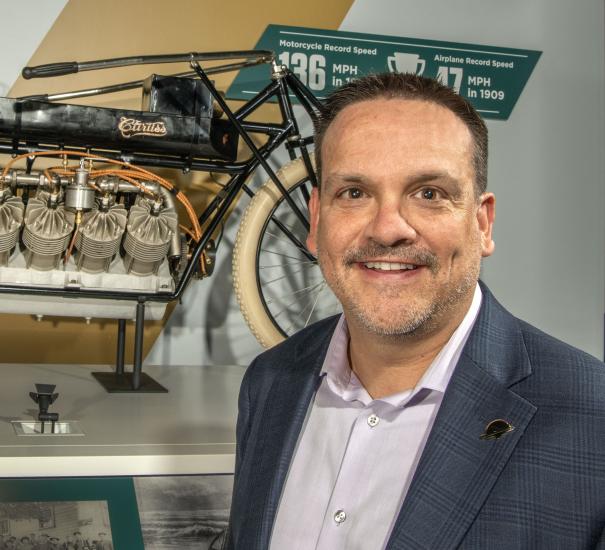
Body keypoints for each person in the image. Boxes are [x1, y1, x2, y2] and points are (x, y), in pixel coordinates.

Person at [226, 71, 605, 549]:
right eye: (355, 193)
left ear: (482, 223)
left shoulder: (592, 418)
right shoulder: (270, 382)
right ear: (317, 218)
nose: (388, 230)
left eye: (428, 193)